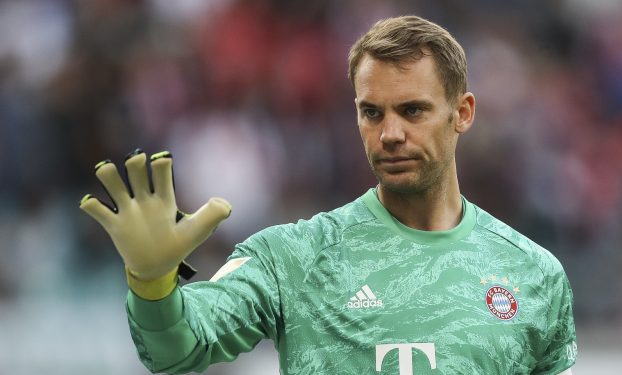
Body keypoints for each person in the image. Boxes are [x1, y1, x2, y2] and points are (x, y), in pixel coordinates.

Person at [80, 15, 577, 375]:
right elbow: (177, 350)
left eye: (413, 110)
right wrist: (152, 286)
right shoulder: (292, 257)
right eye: (373, 113)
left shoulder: (533, 274)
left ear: (462, 113)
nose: (391, 134)